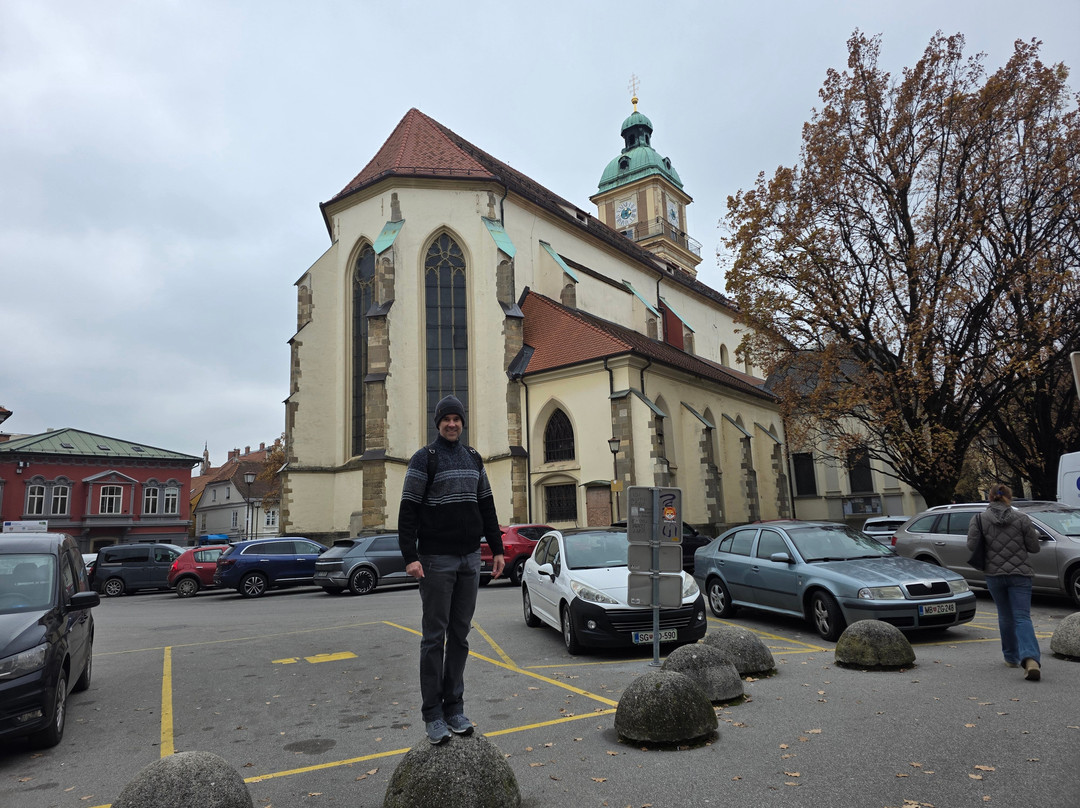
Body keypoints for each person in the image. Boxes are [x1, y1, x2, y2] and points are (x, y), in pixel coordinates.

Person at [398, 394, 505, 744]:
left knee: (460, 635)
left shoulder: (473, 458)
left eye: (457, 419)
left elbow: (487, 506)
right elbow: (408, 510)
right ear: (438, 423)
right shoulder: (424, 459)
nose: (452, 424)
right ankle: (433, 714)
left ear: (462, 422)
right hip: (435, 559)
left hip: (470, 558)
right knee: (434, 638)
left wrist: (498, 549)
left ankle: (454, 708)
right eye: (446, 419)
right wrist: (410, 556)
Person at [967, 483, 1042, 681]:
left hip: (994, 574)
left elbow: (971, 545)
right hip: (1020, 574)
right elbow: (1034, 548)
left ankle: (1011, 657)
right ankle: (1031, 659)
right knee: (1022, 617)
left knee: (1005, 615)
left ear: (990, 497)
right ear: (1010, 497)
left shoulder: (979, 519)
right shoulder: (1022, 518)